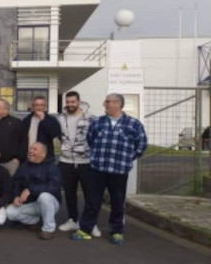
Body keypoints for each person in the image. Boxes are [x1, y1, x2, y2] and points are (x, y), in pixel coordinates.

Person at [72, 93, 147, 246]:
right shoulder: (98, 122)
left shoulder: (134, 124)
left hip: (119, 171)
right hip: (98, 168)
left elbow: (141, 145)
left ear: (118, 104)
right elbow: (90, 140)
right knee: (92, 200)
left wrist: (127, 159)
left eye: (107, 101)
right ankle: (85, 229)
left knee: (118, 201)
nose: (104, 104)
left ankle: (117, 231)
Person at [56, 91, 99, 236]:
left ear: (79, 102)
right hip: (66, 161)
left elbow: (96, 137)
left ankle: (90, 223)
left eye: (73, 102)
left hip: (85, 161)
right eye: (67, 102)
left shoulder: (91, 118)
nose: (70, 105)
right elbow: (59, 136)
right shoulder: (60, 118)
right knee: (69, 193)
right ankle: (73, 220)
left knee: (89, 193)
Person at [5, 142, 62, 240]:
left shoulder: (51, 168)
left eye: (35, 149)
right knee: (9, 212)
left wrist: (31, 189)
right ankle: (35, 221)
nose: (31, 151)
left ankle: (48, 229)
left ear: (43, 154)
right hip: (31, 204)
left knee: (44, 196)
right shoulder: (24, 166)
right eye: (30, 149)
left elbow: (54, 187)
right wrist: (16, 196)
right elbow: (16, 182)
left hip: (50, 203)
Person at [22, 96, 61, 161]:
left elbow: (54, 134)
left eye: (41, 105)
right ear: (32, 107)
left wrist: (43, 120)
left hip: (46, 157)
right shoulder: (27, 120)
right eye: (36, 105)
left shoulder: (51, 120)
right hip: (29, 155)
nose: (39, 107)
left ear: (45, 107)